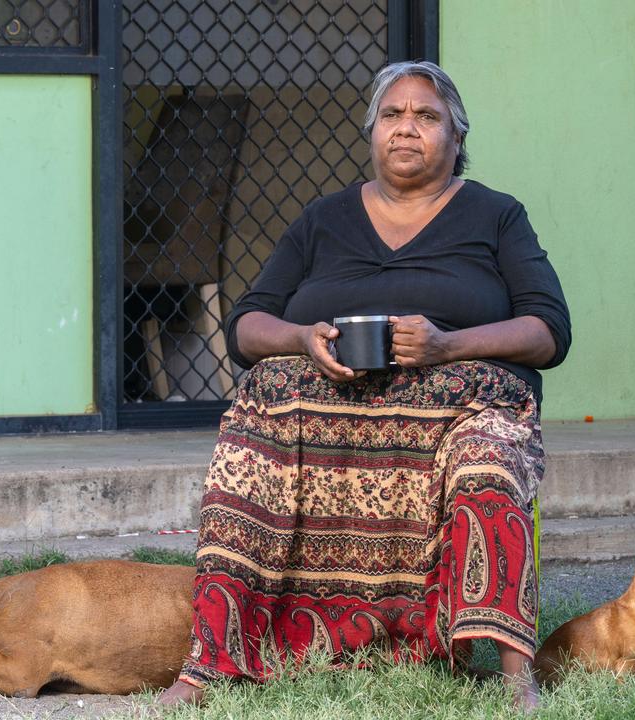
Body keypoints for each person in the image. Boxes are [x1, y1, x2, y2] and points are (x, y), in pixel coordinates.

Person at [158, 60, 570, 712]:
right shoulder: (324, 220)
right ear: (372, 131)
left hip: (461, 406)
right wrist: (303, 340)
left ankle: (517, 677)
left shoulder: (496, 216)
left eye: (426, 116)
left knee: (484, 463)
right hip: (333, 405)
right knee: (254, 421)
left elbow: (550, 331)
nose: (407, 128)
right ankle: (210, 662)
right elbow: (245, 326)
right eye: (392, 115)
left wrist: (447, 345)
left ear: (457, 139)